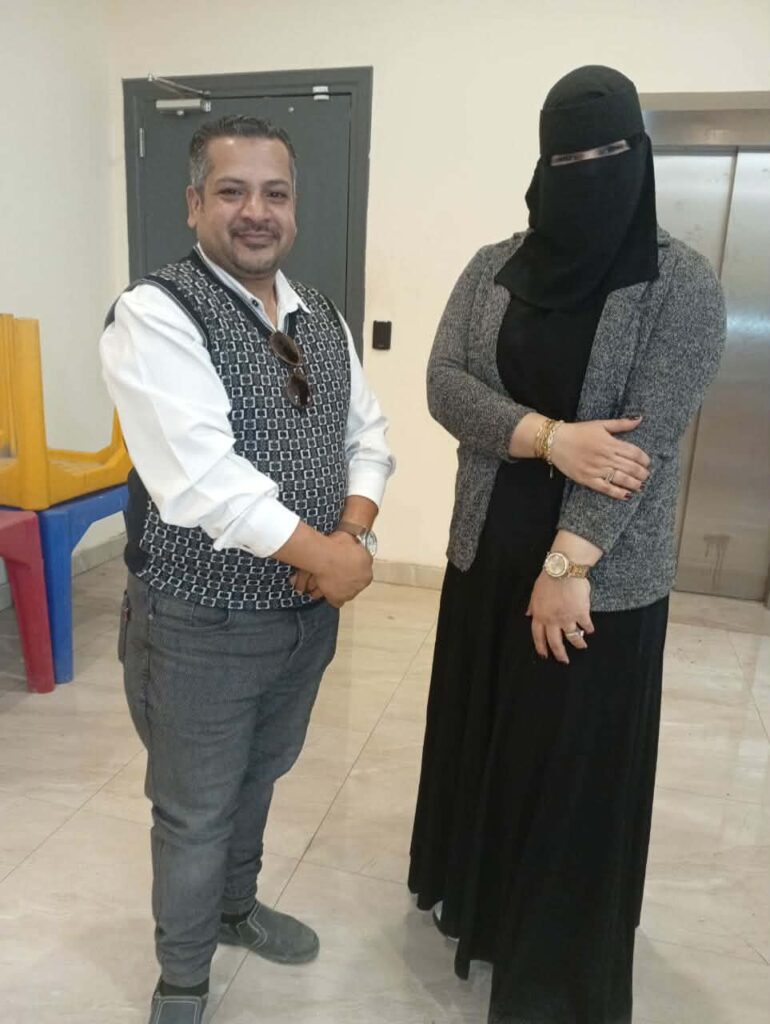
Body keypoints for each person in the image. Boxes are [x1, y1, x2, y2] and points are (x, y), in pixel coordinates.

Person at [408, 66, 725, 1024]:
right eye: (567, 155)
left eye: (609, 151)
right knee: (491, 742)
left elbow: (641, 446)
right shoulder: (491, 267)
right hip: (486, 554)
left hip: (595, 581)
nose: (587, 170)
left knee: (569, 768)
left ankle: (552, 967)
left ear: (641, 155)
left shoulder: (680, 285)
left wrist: (568, 562)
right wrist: (548, 437)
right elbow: (443, 385)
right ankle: (480, 905)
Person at [100, 114, 394, 1024]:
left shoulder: (322, 316)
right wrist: (331, 558)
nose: (256, 211)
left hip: (305, 617)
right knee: (194, 810)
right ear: (194, 204)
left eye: (275, 193)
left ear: (295, 208)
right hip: (202, 622)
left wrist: (352, 537)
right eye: (232, 191)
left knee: (258, 778)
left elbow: (366, 436)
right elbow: (202, 482)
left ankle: (235, 909)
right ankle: (182, 982)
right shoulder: (156, 314)